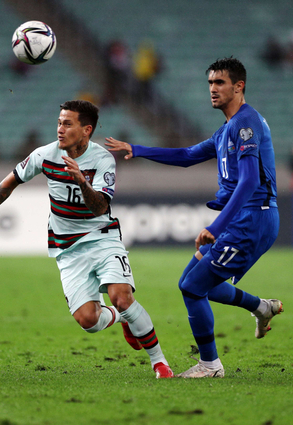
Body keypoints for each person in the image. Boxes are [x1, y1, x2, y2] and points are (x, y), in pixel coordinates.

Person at [0, 100, 173, 379]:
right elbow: (11, 181)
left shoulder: (102, 160)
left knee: (122, 297)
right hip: (67, 247)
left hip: (102, 237)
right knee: (88, 320)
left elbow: (100, 207)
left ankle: (160, 363)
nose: (60, 129)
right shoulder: (45, 155)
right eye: (59, 122)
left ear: (86, 130)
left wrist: (81, 181)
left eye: (67, 124)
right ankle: (121, 316)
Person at [106, 57, 283, 378]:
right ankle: (261, 307)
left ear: (239, 86)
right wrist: (138, 148)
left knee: (191, 286)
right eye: (210, 83)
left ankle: (210, 365)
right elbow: (187, 156)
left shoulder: (246, 125)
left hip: (252, 220)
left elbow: (250, 181)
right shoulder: (226, 130)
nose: (212, 89)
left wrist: (215, 227)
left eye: (219, 83)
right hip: (242, 220)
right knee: (197, 282)